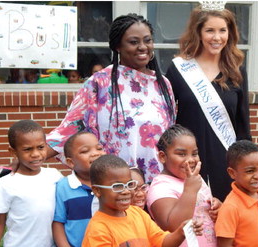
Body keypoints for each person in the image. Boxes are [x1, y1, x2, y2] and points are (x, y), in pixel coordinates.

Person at [46, 13, 175, 183]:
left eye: (147, 40)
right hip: (114, 183)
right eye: (134, 42)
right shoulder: (100, 82)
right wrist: (31, 156)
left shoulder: (162, 84)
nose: (143, 47)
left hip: (158, 183)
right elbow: (70, 127)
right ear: (117, 47)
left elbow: (171, 134)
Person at [165, 4, 251, 202]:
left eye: (222, 30)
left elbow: (242, 121)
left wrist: (247, 162)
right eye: (210, 30)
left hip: (225, 157)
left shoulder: (237, 72)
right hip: (188, 158)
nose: (217, 37)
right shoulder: (179, 69)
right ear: (199, 33)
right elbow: (168, 117)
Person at [146, 124, 221, 247]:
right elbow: (171, 225)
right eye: (181, 154)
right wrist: (189, 190)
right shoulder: (161, 186)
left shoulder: (194, 179)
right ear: (163, 156)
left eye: (194, 153)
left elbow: (200, 209)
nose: (190, 160)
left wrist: (217, 206)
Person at [0, 120, 62, 247]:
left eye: (40, 147)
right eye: (27, 149)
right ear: (13, 152)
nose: (35, 154)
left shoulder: (54, 175)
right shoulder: (6, 183)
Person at [52, 131, 105, 247]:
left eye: (99, 148)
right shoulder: (64, 187)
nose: (95, 153)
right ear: (70, 162)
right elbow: (58, 221)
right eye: (85, 151)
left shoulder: (109, 183)